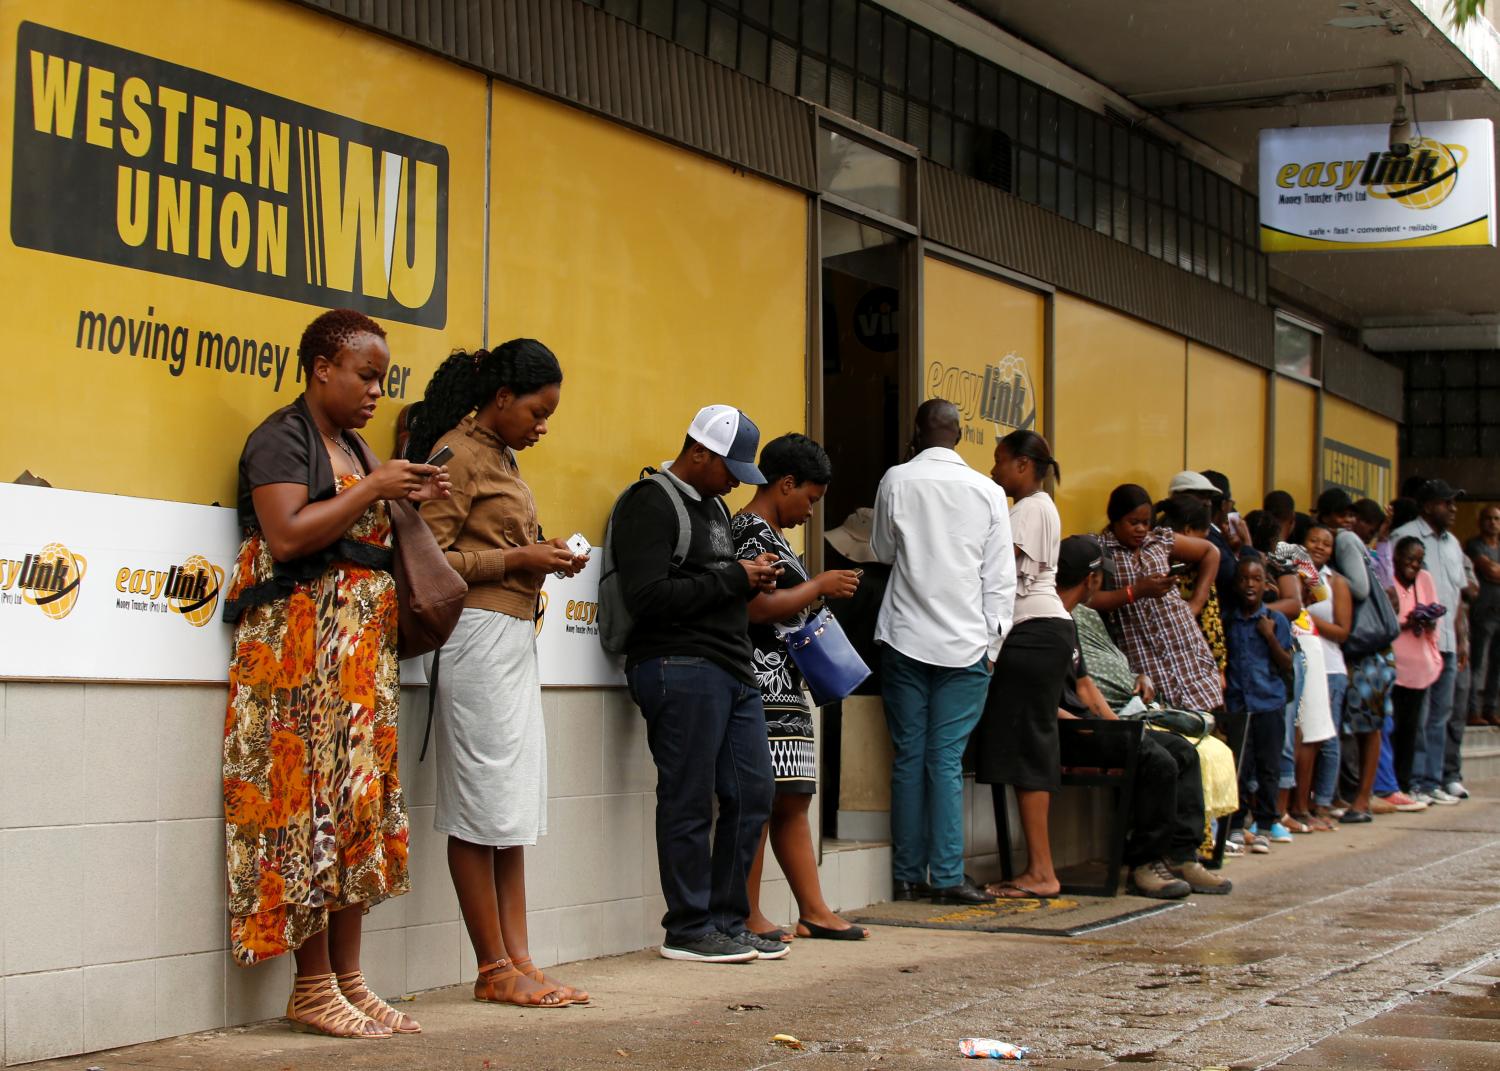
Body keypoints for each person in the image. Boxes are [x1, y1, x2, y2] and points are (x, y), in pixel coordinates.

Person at [222, 309, 450, 1038]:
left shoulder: (352, 445)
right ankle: (312, 985)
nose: (376, 391)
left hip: (357, 668)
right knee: (305, 816)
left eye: (382, 378)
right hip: (297, 663)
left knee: (356, 815)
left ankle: (349, 979)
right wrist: (373, 487)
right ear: (322, 366)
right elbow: (288, 533)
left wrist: (403, 494)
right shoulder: (281, 438)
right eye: (365, 375)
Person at [410, 340, 592, 1008]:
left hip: (510, 637)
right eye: (538, 411)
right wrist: (517, 559)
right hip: (475, 636)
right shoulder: (456, 455)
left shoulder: (499, 457)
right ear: (503, 396)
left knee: (510, 809)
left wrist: (538, 559)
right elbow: (425, 559)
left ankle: (519, 959)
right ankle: (492, 967)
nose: (543, 425)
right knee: (481, 807)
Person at [613, 405, 784, 963]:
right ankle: (688, 928)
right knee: (688, 798)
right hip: (677, 663)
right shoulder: (651, 502)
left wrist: (746, 576)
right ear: (699, 453)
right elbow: (647, 597)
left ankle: (727, 920)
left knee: (753, 792)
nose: (737, 479)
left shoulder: (714, 507)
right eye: (730, 466)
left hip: (733, 667)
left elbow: (712, 584)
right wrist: (735, 576)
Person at [871, 399, 1015, 905]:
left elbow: (883, 551)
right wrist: (993, 644)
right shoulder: (989, 491)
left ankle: (907, 875)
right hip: (967, 641)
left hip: (906, 633)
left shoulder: (896, 479)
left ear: (916, 432)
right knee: (946, 759)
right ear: (959, 434)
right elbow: (1000, 578)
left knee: (909, 756)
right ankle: (949, 876)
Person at [730, 434, 869, 942]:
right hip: (761, 685)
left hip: (785, 687)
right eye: (808, 499)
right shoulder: (749, 533)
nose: (810, 511)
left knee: (792, 798)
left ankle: (813, 908)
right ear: (784, 483)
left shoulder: (772, 534)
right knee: (762, 802)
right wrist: (818, 586)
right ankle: (749, 913)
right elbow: (753, 608)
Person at [1055, 536, 1233, 898]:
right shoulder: (1047, 619)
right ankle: (1143, 862)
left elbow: (1086, 686)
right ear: (1092, 580)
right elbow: (1037, 699)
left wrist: (1116, 727)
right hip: (1063, 730)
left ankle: (1181, 854)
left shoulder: (1073, 619)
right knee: (1157, 760)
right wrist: (1099, 728)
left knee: (1182, 750)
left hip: (1092, 723)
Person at [974, 431, 1072, 900]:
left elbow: (999, 574)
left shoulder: (1030, 508)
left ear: (1022, 464)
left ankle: (1041, 872)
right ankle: (1037, 868)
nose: (994, 471)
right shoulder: (1040, 507)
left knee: (1028, 749)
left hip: (1033, 632)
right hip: (1044, 633)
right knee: (1027, 747)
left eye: (999, 461)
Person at [1092, 484, 1222, 716]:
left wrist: (1195, 605)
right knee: (1165, 722)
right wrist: (1135, 592)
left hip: (1183, 647)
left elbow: (1211, 553)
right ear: (1115, 519)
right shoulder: (1100, 549)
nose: (1141, 529)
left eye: (1146, 522)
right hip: (1142, 650)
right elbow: (1087, 599)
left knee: (1203, 721)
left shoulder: (1159, 540)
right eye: (1134, 522)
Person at [1393, 480, 1468, 806]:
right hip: (1412, 645)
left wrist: (1463, 637)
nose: (1452, 509)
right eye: (1445, 502)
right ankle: (1417, 781)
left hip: (1447, 641)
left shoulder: (1453, 544)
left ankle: (1435, 779)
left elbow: (1459, 596)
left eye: (1453, 503)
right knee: (1418, 717)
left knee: (1442, 714)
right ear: (1426, 506)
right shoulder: (1404, 536)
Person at [1221, 555, 1295, 852]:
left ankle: (1265, 824)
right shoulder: (1229, 621)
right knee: (1240, 765)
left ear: (1267, 585)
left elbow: (1287, 663)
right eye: (1243, 579)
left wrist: (1270, 638)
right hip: (1239, 705)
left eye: (1256, 579)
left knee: (1268, 766)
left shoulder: (1275, 621)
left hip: (1268, 703)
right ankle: (1237, 824)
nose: (1250, 584)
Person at [1301, 524, 1352, 832]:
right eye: (1313, 540)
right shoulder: (1293, 574)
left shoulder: (1337, 583)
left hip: (1331, 667)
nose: (1319, 547)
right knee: (1302, 737)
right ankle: (1301, 802)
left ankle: (1322, 802)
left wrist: (1305, 614)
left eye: (1326, 543)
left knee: (1326, 739)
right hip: (1302, 662)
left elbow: (1343, 632)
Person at [1391, 536, 1445, 797]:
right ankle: (1387, 785)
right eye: (1409, 558)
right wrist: (1405, 624)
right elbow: (1384, 621)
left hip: (1418, 667)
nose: (1413, 564)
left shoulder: (1424, 579)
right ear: (1396, 557)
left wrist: (1426, 620)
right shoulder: (1387, 578)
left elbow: (1434, 615)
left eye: (1418, 560)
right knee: (1389, 727)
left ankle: (1405, 783)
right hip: (1392, 666)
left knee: (1411, 728)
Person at [1156, 494, 1227, 674]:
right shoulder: (1195, 569)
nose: (1206, 543)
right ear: (1188, 531)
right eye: (1204, 536)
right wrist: (1219, 668)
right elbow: (1210, 626)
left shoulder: (1197, 566)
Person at [1464, 504, 1500, 727]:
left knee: (1497, 665)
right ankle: (1472, 710)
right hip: (1483, 612)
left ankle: (1491, 709)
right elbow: (1490, 571)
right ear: (1480, 521)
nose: (1493, 523)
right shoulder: (1474, 545)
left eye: (1496, 519)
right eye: (1488, 518)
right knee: (1477, 662)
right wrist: (1493, 569)